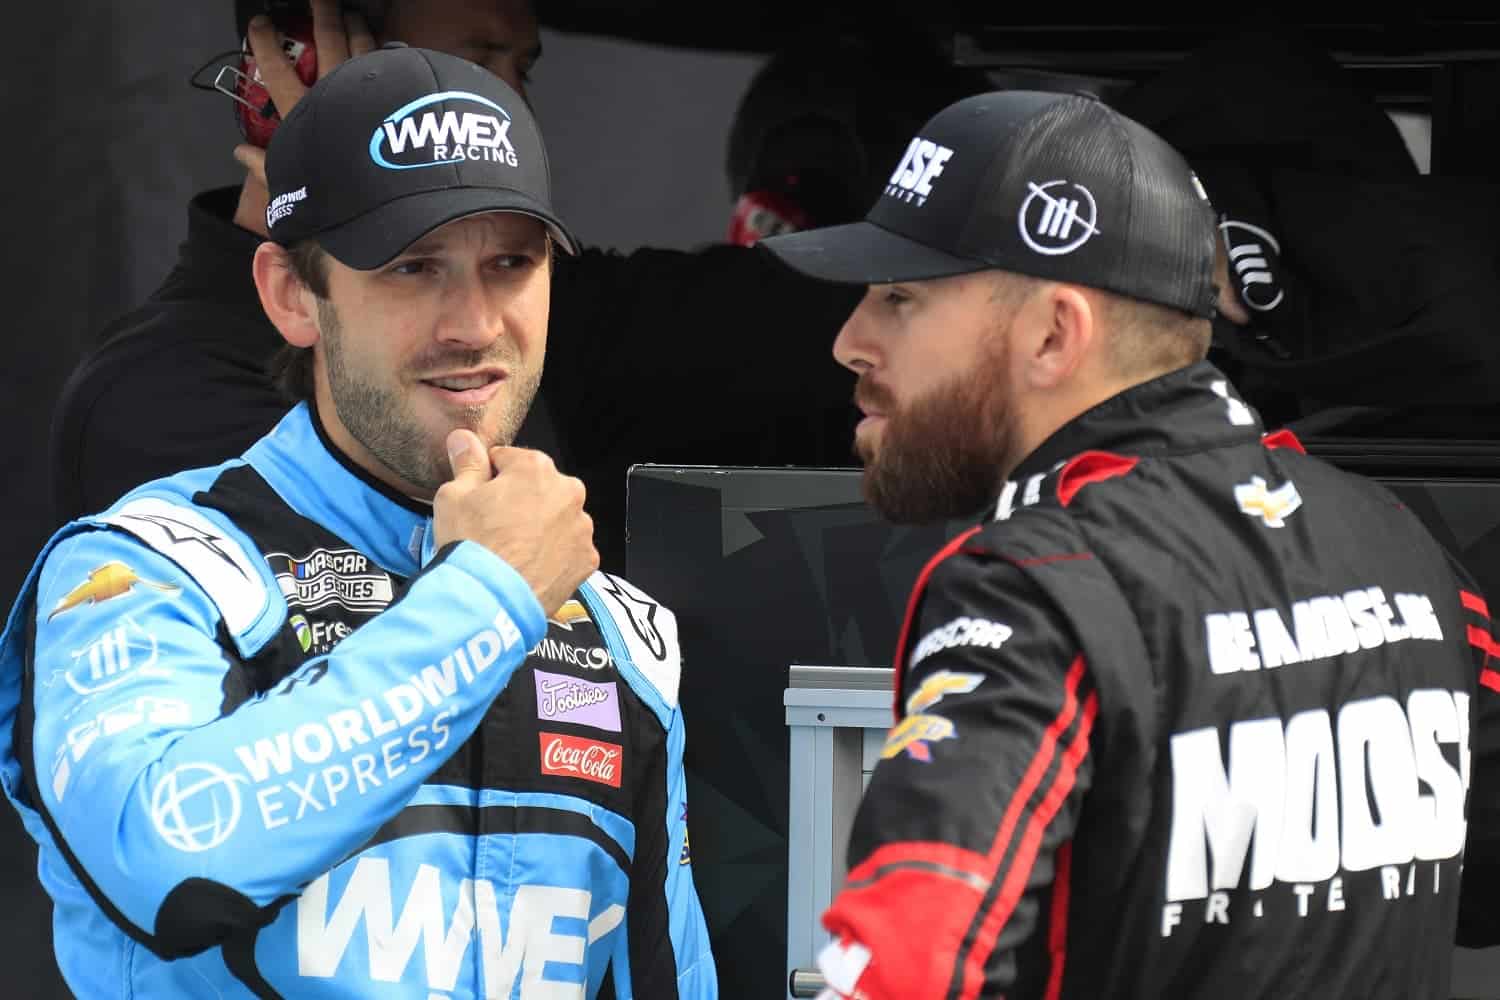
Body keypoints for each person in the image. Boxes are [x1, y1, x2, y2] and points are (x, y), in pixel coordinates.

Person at [1, 44, 715, 998]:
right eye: (414, 267)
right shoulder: (152, 570)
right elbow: (165, 860)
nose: (473, 323)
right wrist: (488, 602)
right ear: (292, 295)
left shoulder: (623, 633)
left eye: (511, 262)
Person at [759, 90, 1500, 998]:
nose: (849, 342)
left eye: (900, 298)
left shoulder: (1032, 590)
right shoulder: (1402, 547)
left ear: (1052, 334)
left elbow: (906, 974)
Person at [48, 0, 868, 572]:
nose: (474, 326)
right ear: (292, 72)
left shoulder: (545, 312)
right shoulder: (158, 393)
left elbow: (768, 320)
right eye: (466, 66)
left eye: (518, 72)